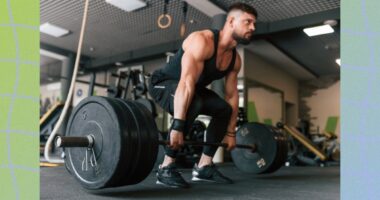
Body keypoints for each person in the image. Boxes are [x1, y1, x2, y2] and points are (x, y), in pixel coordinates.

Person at [148, 2, 257, 188]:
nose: (253, 28)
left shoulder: (234, 60)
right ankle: (165, 167)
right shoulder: (202, 41)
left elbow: (232, 96)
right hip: (163, 84)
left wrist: (231, 133)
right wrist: (178, 126)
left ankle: (204, 166)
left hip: (192, 90)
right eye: (248, 22)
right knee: (195, 102)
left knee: (222, 109)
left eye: (254, 24)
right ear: (231, 21)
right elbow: (187, 82)